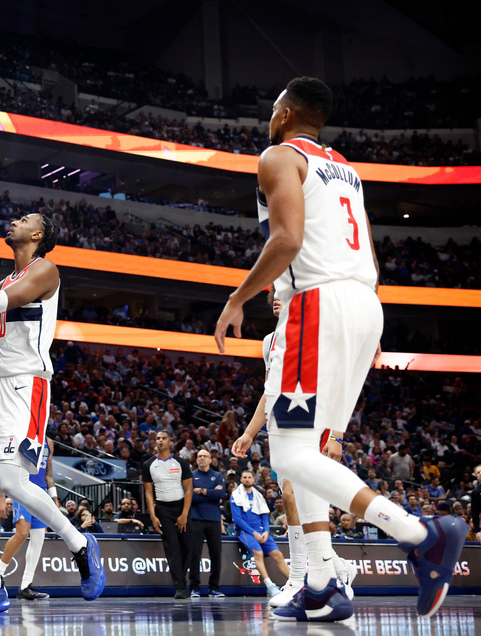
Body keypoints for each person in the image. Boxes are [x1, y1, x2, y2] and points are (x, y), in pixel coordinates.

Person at [215, 76, 467, 621]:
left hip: (317, 305)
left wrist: (238, 298)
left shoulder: (278, 156)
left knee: (288, 454)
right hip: (363, 305)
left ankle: (420, 534)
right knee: (310, 447)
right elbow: (369, 256)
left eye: (272, 108)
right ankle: (324, 582)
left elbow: (286, 241)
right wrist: (361, 331)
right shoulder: (345, 169)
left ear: (284, 112)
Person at [0, 213, 105, 613]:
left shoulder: (46, 270)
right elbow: (2, 342)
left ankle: (80, 543)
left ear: (38, 234)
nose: (12, 221)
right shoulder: (4, 281)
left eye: (23, 219)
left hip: (25, 387)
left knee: (11, 482)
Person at [231, 286, 356, 610]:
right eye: (272, 293)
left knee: (292, 493)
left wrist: (338, 435)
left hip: (320, 418)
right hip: (288, 422)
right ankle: (332, 566)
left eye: (282, 292)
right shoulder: (269, 341)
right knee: (294, 497)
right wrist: (249, 433)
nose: (275, 297)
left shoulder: (318, 333)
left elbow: (343, 381)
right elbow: (270, 393)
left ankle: (302, 575)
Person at [0, 437, 56, 601]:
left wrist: (54, 498)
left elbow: (48, 474)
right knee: (22, 532)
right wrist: (2, 495)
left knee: (39, 538)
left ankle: (25, 586)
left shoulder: (49, 442)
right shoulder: (23, 432)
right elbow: (6, 466)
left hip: (41, 491)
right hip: (21, 488)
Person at [143, 430, 193, 600]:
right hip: (163, 509)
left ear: (170, 442)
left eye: (164, 438)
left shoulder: (181, 463)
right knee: (172, 549)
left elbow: (188, 489)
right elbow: (148, 492)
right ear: (155, 442)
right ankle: (180, 587)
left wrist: (184, 514)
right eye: (158, 438)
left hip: (181, 506)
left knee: (188, 547)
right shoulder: (148, 464)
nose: (160, 440)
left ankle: (183, 580)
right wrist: (153, 515)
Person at [230, 471, 290, 597]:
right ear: (241, 479)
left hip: (262, 531)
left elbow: (264, 516)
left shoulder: (258, 496)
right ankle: (270, 586)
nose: (247, 479)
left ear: (253, 480)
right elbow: (237, 519)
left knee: (278, 554)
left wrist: (267, 531)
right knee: (258, 553)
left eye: (249, 477)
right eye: (244, 477)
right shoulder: (235, 496)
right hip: (246, 532)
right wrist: (254, 533)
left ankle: (294, 583)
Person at [188, 449, 226, 598]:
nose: (202, 458)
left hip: (214, 519)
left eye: (205, 456)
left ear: (211, 460)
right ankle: (194, 587)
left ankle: (214, 588)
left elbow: (221, 495)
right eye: (199, 456)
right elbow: (190, 497)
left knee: (216, 554)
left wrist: (201, 491)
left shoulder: (217, 476)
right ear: (196, 460)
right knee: (194, 554)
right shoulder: (191, 476)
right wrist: (210, 492)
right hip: (195, 519)